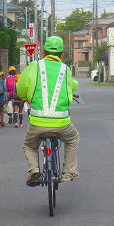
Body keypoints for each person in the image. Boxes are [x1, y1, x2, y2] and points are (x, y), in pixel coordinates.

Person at [16, 36, 80, 186]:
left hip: (37, 122)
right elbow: (72, 85)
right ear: (62, 54)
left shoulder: (34, 66)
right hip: (62, 123)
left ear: (43, 53)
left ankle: (34, 171)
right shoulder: (66, 69)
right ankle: (67, 173)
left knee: (29, 145)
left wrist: (26, 97)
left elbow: (20, 87)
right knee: (73, 139)